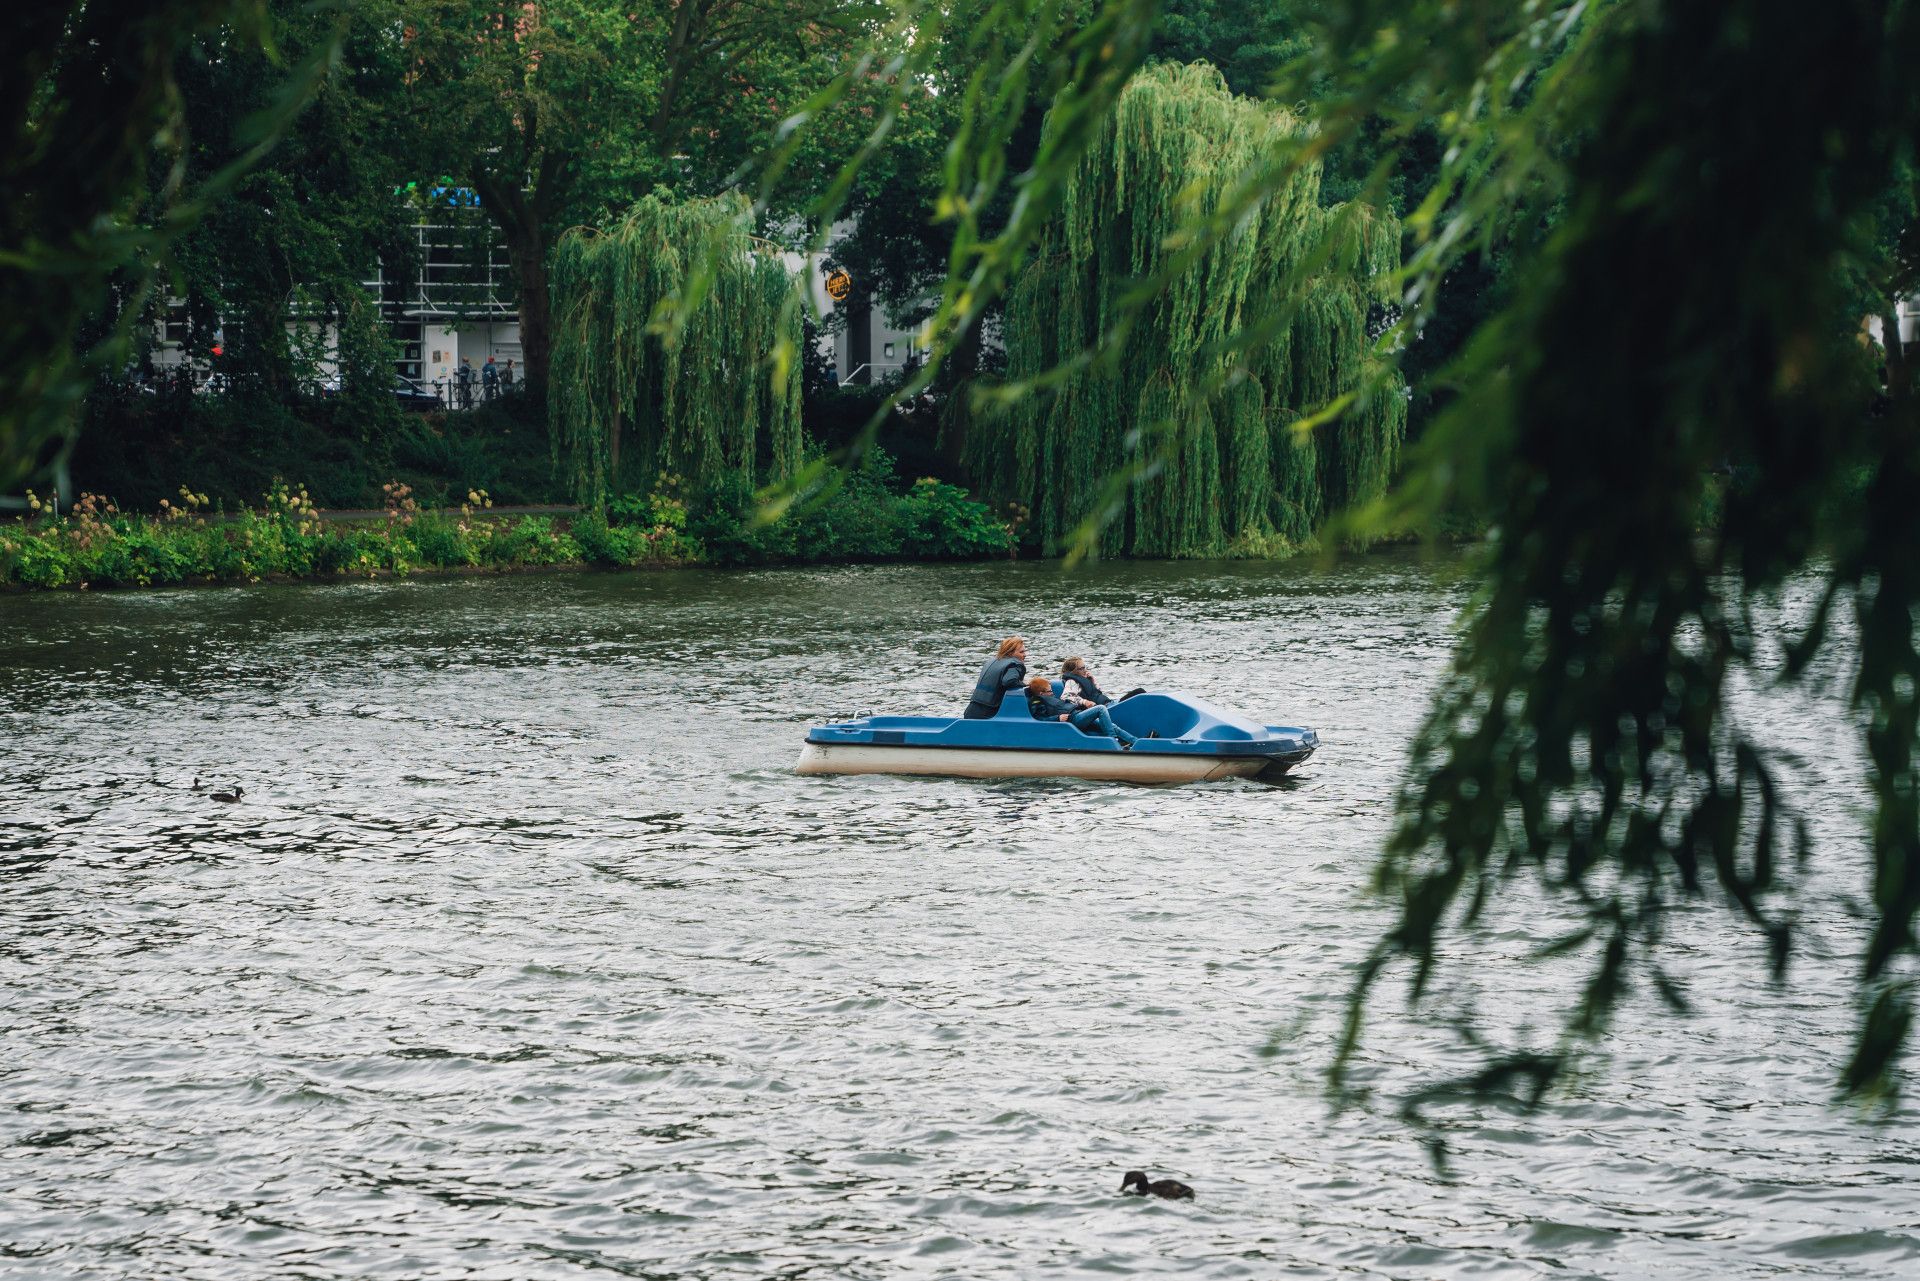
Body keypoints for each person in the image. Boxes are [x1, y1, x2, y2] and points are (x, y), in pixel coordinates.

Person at [1025, 677, 1137, 748]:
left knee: (1112, 726)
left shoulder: (1049, 697)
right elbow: (1039, 718)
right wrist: (1057, 718)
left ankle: (1136, 742)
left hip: (1076, 714)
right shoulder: (1037, 701)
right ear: (1041, 693)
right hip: (1073, 720)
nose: (1052, 693)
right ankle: (1113, 741)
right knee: (1100, 708)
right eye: (1050, 691)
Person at [964, 636, 1028, 719]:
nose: (1025, 655)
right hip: (988, 713)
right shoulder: (1015, 664)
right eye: (1021, 652)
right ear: (1010, 653)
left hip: (971, 710)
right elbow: (1009, 681)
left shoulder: (992, 661)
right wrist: (1025, 684)